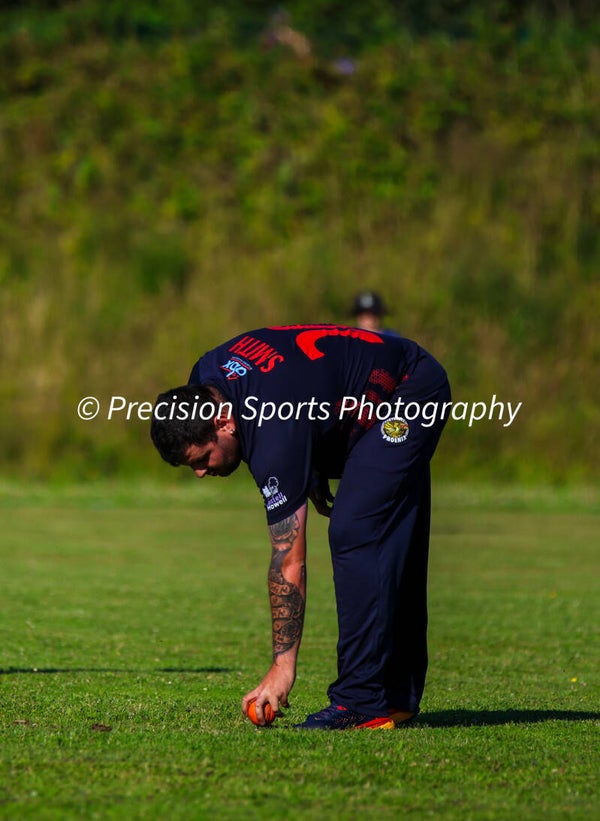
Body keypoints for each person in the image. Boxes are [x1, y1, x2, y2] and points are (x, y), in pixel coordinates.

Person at [151, 324, 450, 730]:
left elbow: (288, 561)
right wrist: (308, 471)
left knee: (356, 529)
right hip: (358, 394)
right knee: (387, 536)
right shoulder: (206, 380)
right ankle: (393, 695)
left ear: (223, 421)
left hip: (408, 390)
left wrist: (282, 667)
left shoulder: (269, 426)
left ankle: (362, 700)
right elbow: (304, 393)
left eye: (202, 459)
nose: (201, 473)